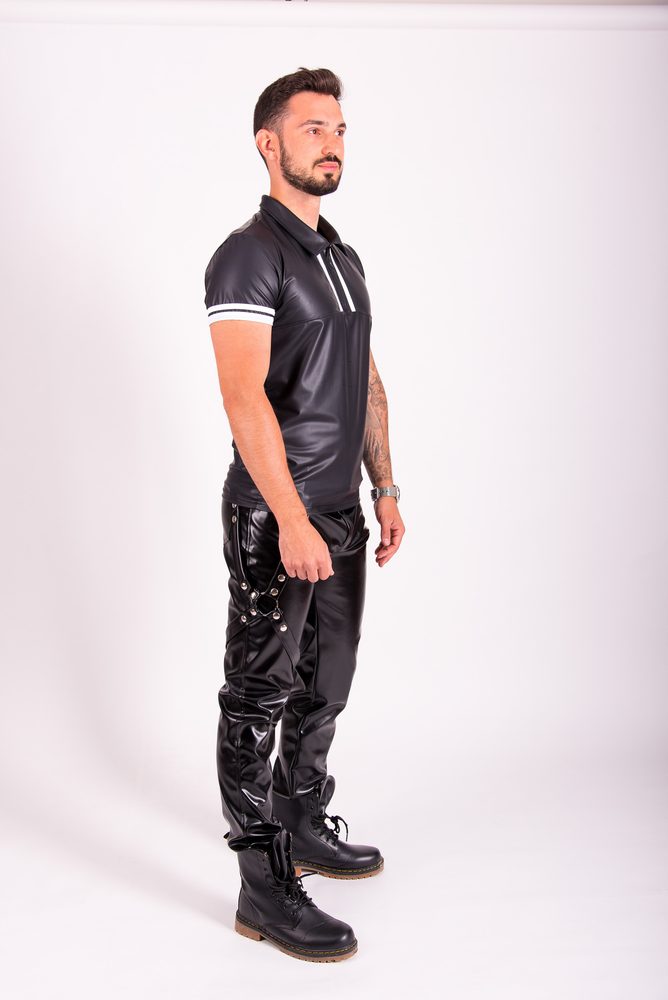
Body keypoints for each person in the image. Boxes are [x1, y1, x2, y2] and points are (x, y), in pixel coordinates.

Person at [204, 67, 405, 963]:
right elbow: (243, 398)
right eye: (313, 128)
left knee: (330, 681)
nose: (332, 143)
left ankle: (301, 814)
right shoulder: (249, 254)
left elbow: (366, 378)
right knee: (258, 696)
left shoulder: (340, 257)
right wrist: (288, 519)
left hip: (341, 511)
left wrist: (385, 487)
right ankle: (262, 883)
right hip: (273, 515)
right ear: (269, 143)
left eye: (340, 129)